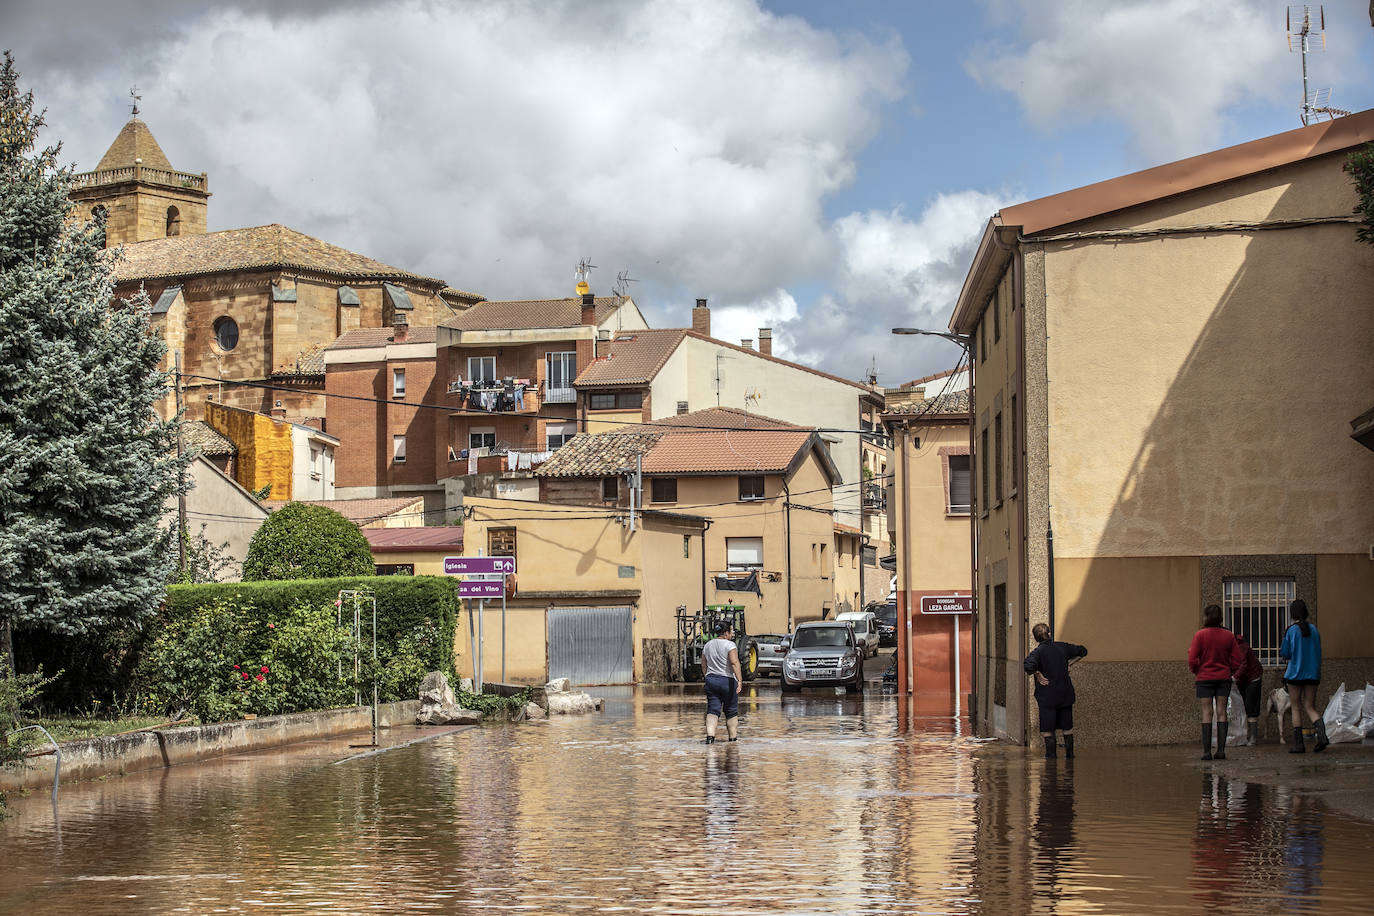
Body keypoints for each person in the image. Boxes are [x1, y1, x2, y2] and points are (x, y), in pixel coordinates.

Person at [1023, 622, 1088, 759]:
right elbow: (1083, 651)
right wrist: (1071, 662)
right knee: (1067, 728)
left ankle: (1051, 761)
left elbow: (1028, 666)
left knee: (1048, 730)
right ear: (1050, 634)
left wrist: (1038, 674)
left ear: (1035, 639)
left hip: (1047, 697)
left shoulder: (1037, 653)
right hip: (1065, 694)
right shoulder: (1062, 647)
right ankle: (1070, 759)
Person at [1188, 604, 1244, 760]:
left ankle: (1206, 752)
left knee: (1207, 712)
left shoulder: (1200, 635)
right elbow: (1236, 659)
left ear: (1206, 616)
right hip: (1223, 678)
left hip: (1205, 678)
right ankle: (1221, 751)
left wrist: (1197, 670)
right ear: (1221, 617)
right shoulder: (1228, 636)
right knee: (1222, 711)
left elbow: (1192, 658)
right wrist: (1229, 670)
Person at [1280, 599, 1326, 754]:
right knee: (1309, 706)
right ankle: (1322, 735)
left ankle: (1299, 744)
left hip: (1295, 674)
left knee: (1296, 707)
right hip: (1313, 674)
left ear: (1293, 614)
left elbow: (1285, 653)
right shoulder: (1315, 629)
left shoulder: (1291, 631)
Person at [702, 618, 743, 744]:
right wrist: (740, 680)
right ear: (726, 633)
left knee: (713, 710)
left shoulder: (707, 645)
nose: (732, 634)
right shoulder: (730, 645)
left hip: (711, 680)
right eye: (731, 631)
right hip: (728, 681)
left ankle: (710, 738)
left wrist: (707, 678)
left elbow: (704, 665)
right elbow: (734, 662)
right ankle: (732, 740)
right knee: (731, 711)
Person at [1233, 632, 1263, 746]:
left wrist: (1234, 677)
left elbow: (1243, 665)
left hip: (1252, 678)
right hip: (1243, 679)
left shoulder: (1240, 646)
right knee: (1244, 707)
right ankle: (1246, 735)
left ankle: (1253, 737)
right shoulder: (1232, 645)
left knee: (1251, 708)